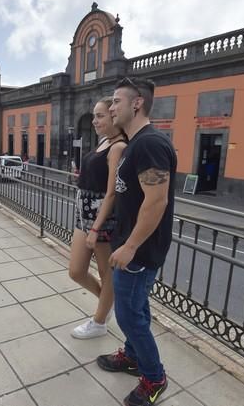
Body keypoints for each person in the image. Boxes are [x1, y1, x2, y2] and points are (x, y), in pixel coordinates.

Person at [97, 77, 176, 406]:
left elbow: (156, 201)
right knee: (135, 308)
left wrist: (130, 246)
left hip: (139, 251)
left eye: (116, 101)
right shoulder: (136, 143)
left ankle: (155, 378)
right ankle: (132, 356)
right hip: (131, 246)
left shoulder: (150, 144)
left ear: (137, 103)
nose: (111, 107)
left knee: (130, 316)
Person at [69, 96, 126, 339]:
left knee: (106, 273)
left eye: (100, 116)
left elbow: (112, 191)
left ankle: (99, 322)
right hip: (84, 216)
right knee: (76, 271)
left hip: (102, 221)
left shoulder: (118, 146)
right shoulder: (104, 141)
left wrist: (96, 228)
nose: (94, 120)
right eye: (94, 116)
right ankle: (108, 301)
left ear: (115, 117)